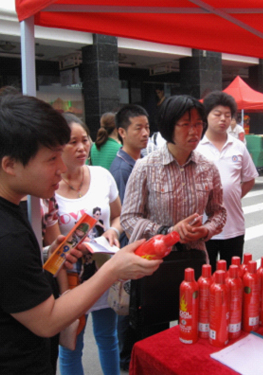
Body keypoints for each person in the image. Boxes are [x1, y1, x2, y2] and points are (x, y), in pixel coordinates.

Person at [0, 92, 161, 374]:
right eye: (50, 159)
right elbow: (47, 320)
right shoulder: (2, 239)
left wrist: (48, 254)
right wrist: (114, 269)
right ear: (9, 164)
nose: (61, 169)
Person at [121, 94, 226, 338]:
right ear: (169, 126)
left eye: (199, 124)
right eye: (186, 124)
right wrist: (167, 232)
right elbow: (129, 218)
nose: (194, 131)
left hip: (194, 261)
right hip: (154, 265)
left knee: (195, 330)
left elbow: (219, 212)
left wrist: (207, 230)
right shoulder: (146, 166)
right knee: (155, 336)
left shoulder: (208, 167)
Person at [56, 113, 125, 375]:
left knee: (108, 338)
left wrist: (113, 232)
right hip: (71, 280)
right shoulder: (48, 186)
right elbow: (51, 243)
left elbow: (119, 216)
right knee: (71, 346)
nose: (81, 147)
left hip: (103, 271)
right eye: (72, 142)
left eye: (84, 140)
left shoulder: (102, 176)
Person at [109, 104, 150, 371]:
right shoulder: (123, 168)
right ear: (122, 132)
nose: (145, 133)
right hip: (129, 246)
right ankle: (125, 358)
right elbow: (125, 216)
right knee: (127, 303)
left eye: (147, 127)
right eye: (139, 128)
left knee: (138, 302)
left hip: (141, 244)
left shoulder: (140, 160)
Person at [197, 91, 257, 271]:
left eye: (228, 115)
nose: (223, 119)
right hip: (204, 229)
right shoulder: (196, 148)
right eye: (217, 114)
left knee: (232, 278)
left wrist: (233, 195)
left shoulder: (238, 147)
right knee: (206, 279)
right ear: (206, 116)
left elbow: (249, 179)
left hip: (234, 227)